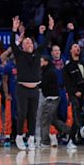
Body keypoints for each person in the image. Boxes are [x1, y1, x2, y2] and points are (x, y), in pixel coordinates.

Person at [10, 15, 54, 150]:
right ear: (22, 45)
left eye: (30, 42)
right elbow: (12, 44)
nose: (28, 44)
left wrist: (50, 28)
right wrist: (14, 30)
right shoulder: (19, 54)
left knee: (32, 115)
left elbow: (46, 41)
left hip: (35, 89)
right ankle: (18, 136)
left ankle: (31, 139)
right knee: (22, 113)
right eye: (26, 42)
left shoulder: (38, 53)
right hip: (22, 88)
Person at [39, 55, 71, 148]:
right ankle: (72, 131)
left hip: (51, 99)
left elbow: (43, 84)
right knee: (53, 120)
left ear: (46, 62)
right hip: (52, 98)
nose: (40, 64)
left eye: (41, 61)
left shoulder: (49, 72)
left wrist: (33, 84)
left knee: (44, 120)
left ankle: (44, 142)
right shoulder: (46, 71)